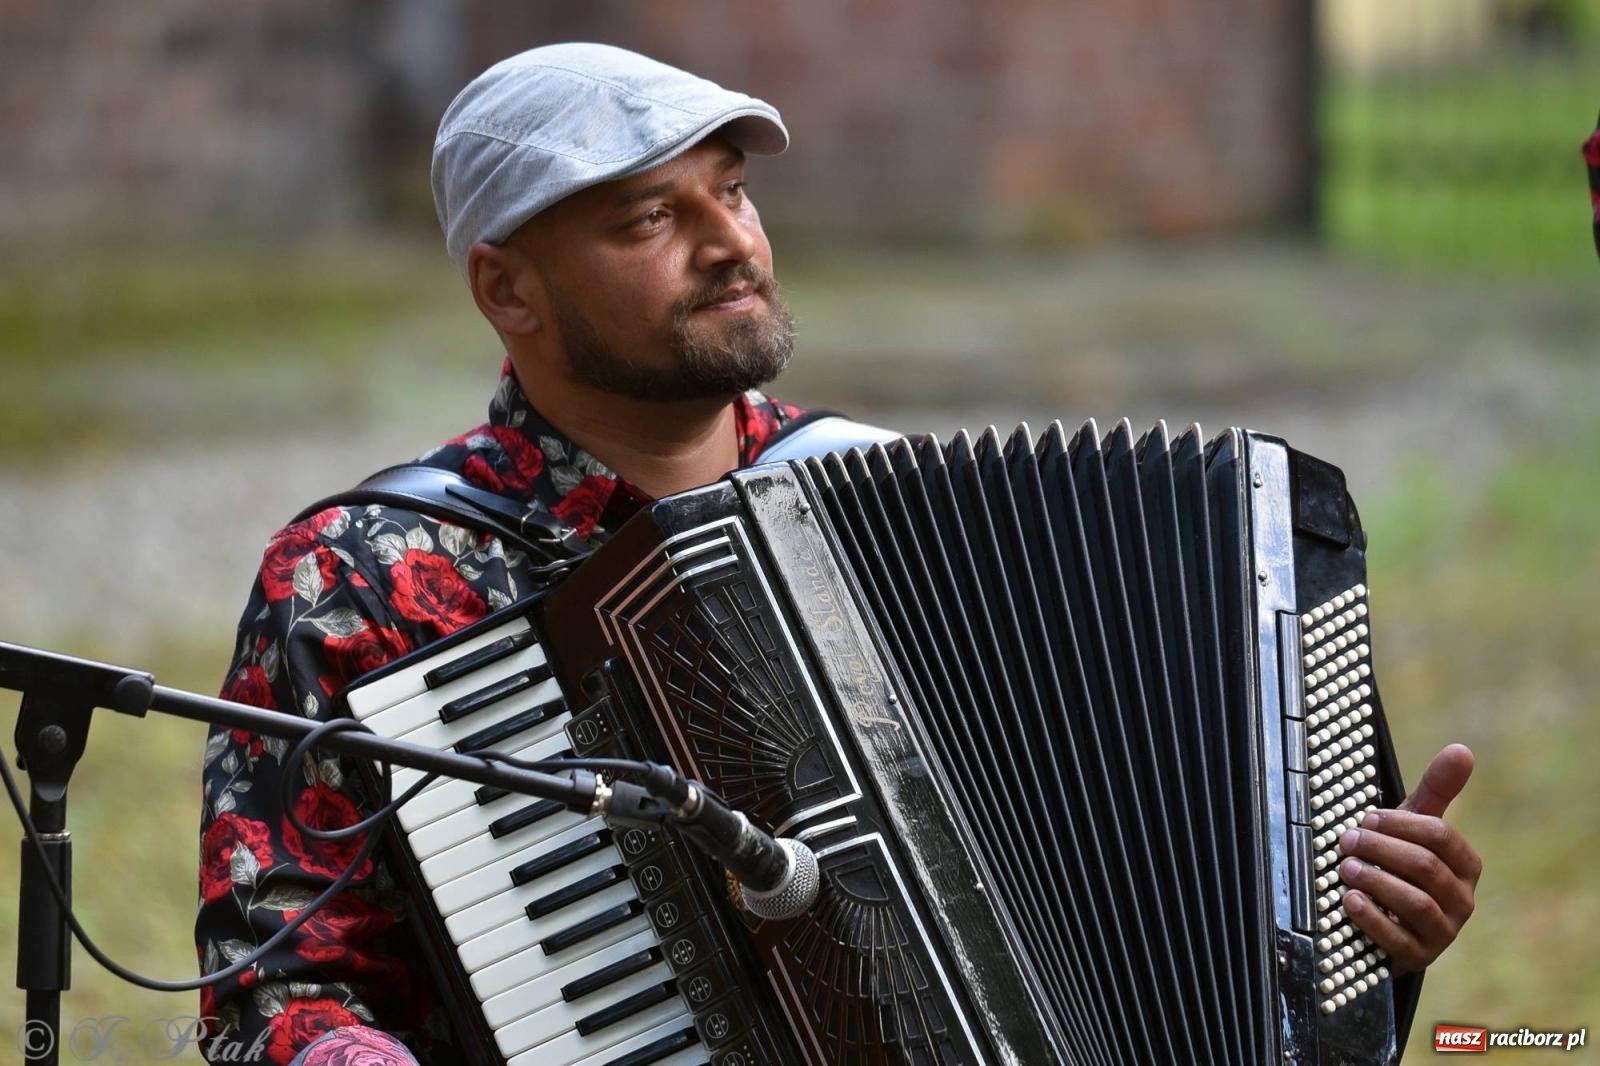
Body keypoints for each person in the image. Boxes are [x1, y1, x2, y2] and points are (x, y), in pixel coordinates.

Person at [196, 43, 1482, 1065]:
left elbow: (1138, 896)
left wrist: (1359, 927)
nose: (730, 246)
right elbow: (277, 998)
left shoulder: (879, 498)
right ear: (509, 290)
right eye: (651, 216)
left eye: (733, 191)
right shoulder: (368, 578)